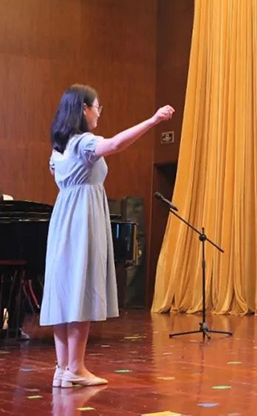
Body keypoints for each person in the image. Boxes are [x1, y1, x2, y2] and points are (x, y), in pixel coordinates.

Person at [42, 84, 174, 387]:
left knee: (64, 291)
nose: (99, 113)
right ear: (84, 109)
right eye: (97, 107)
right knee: (81, 287)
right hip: (82, 218)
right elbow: (114, 144)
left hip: (64, 217)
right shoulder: (84, 142)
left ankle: (63, 368)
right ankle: (76, 368)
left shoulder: (59, 148)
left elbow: (58, 176)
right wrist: (153, 120)